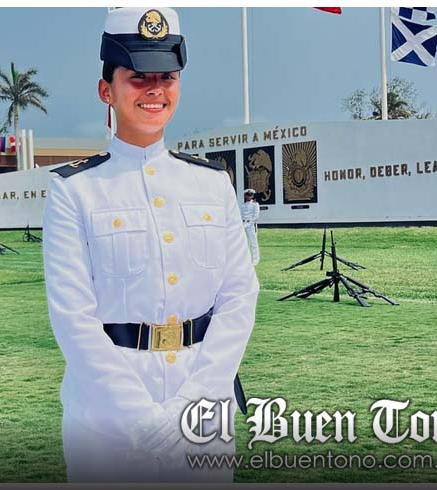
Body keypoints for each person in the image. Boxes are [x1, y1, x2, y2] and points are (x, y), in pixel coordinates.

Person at [42, 8, 259, 483]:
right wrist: (142, 420)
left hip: (203, 412)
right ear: (106, 90)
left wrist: (194, 401)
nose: (155, 89)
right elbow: (73, 317)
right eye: (139, 77)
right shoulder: (75, 190)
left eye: (167, 76)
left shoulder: (211, 183)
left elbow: (239, 297)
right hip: (106, 420)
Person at [240, 189, 260, 265]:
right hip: (243, 224)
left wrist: (250, 222)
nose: (249, 196)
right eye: (247, 195)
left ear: (252, 196)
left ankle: (255, 259)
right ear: (245, 196)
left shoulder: (255, 204)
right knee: (245, 242)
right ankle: (247, 258)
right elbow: (241, 215)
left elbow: (256, 215)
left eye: (250, 195)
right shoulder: (243, 205)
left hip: (251, 225)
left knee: (253, 242)